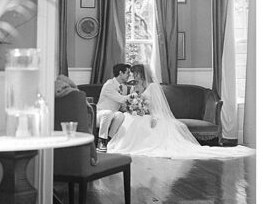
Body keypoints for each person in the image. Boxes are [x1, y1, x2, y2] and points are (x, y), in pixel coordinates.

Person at [107, 64, 254, 159]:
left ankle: (132, 144)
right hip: (142, 114)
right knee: (129, 118)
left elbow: (156, 107)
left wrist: (150, 115)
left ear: (140, 73)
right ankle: (122, 144)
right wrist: (135, 105)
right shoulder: (136, 86)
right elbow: (133, 100)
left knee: (140, 122)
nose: (133, 76)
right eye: (132, 74)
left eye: (135, 73)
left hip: (154, 115)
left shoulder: (153, 87)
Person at [96, 63, 130, 151]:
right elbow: (121, 99)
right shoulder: (109, 85)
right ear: (120, 73)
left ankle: (109, 140)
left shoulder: (124, 87)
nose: (129, 76)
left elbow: (122, 105)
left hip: (113, 114)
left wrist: (133, 108)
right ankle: (101, 141)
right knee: (108, 113)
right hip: (100, 115)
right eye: (127, 73)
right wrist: (134, 96)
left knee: (120, 115)